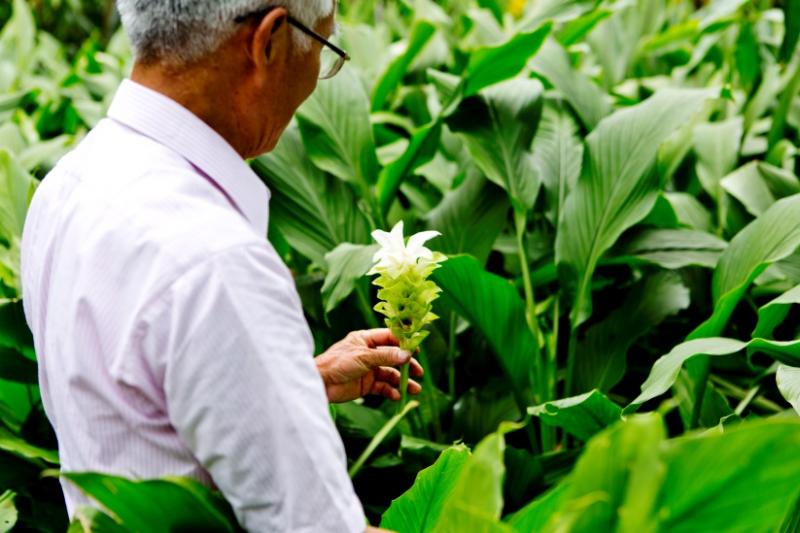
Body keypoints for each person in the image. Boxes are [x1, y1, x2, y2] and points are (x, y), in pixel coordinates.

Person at [19, 1, 422, 531]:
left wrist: (292, 382)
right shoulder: (217, 263)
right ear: (269, 42)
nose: (318, 76)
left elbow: (130, 407)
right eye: (324, 48)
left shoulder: (68, 185)